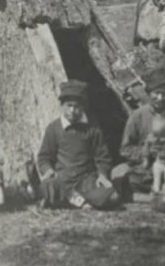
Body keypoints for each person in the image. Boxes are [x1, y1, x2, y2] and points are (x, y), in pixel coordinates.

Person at [37, 80, 123, 210]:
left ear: (83, 107)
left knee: (113, 197)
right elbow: (44, 157)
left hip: (86, 180)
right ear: (62, 105)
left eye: (77, 106)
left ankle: (72, 201)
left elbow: (103, 157)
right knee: (48, 186)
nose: (72, 111)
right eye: (69, 105)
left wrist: (103, 175)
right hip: (63, 180)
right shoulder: (54, 128)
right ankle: (79, 201)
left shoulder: (92, 128)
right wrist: (48, 170)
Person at [118, 67, 165, 212]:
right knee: (128, 180)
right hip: (146, 170)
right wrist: (146, 151)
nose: (160, 98)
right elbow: (125, 149)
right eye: (156, 93)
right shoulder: (138, 116)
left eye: (164, 94)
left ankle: (161, 194)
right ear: (149, 94)